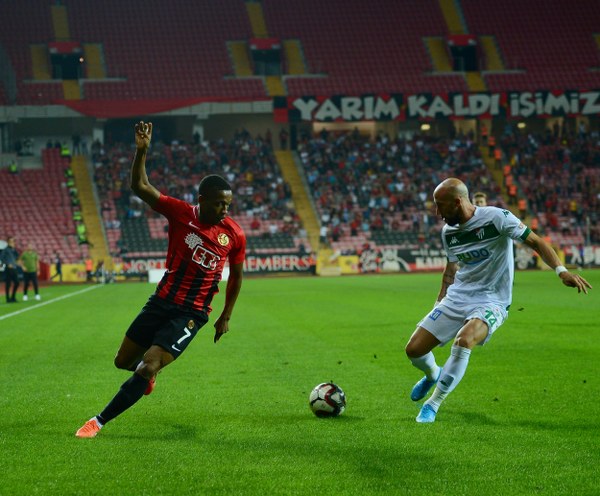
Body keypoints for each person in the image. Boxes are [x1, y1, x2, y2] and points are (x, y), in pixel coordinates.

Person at [76, 121, 246, 438]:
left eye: (228, 204)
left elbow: (236, 276)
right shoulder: (180, 212)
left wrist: (225, 314)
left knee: (148, 364)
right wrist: (142, 152)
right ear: (202, 199)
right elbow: (140, 187)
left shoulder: (234, 235)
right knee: (122, 361)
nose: (224, 209)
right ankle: (146, 379)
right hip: (161, 301)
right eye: (218, 202)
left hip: (191, 314)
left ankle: (97, 421)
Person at [405, 178, 592, 424]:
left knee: (464, 340)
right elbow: (450, 270)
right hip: (458, 296)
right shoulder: (448, 232)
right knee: (414, 350)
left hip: (492, 299)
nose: (437, 213)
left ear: (458, 202)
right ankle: (432, 375)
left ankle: (433, 403)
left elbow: (536, 241)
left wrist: (561, 271)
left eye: (441, 206)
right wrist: (439, 301)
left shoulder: (497, 218)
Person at [1, 237, 20, 303]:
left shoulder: (13, 250)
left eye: (13, 241)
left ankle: (13, 297)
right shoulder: (5, 250)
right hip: (8, 269)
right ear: (8, 242)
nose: (13, 243)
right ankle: (8, 298)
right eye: (11, 241)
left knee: (17, 282)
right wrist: (7, 264)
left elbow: (17, 256)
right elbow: (2, 258)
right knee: (8, 284)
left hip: (14, 268)